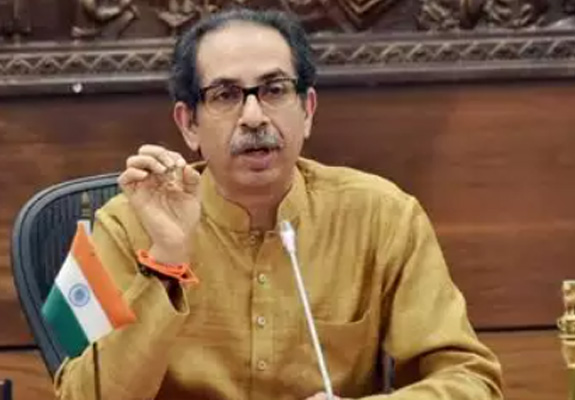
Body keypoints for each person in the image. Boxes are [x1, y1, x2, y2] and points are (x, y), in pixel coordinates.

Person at [53, 7, 503, 400]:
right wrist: (166, 261)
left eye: (274, 90)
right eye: (225, 95)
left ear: (307, 110)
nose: (254, 117)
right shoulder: (120, 225)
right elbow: (78, 395)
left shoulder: (383, 217)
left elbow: (470, 380)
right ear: (189, 123)